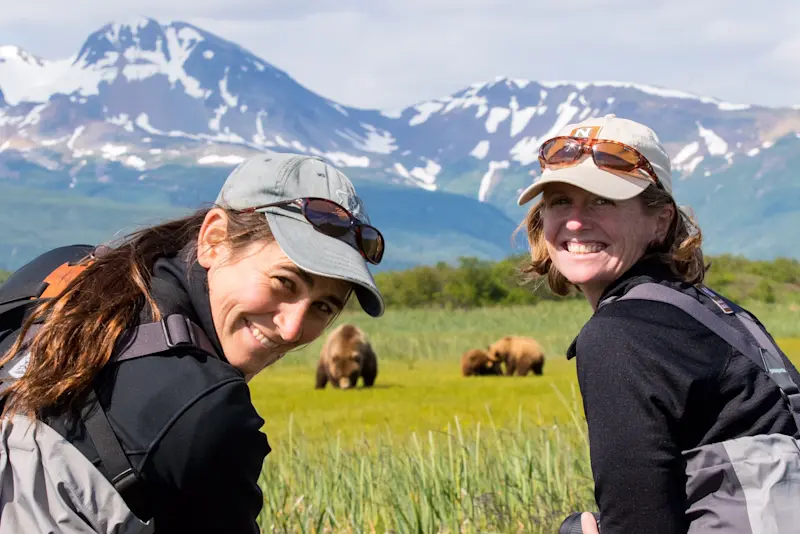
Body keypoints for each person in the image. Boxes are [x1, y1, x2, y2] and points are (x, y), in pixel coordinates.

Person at [0, 151, 386, 533]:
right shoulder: (210, 413)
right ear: (214, 239)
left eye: (322, 306)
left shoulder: (61, 274)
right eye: (284, 282)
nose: (291, 329)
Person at [516, 114, 800, 534]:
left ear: (661, 221)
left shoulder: (620, 335)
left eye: (601, 201)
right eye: (560, 201)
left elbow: (639, 523)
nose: (575, 221)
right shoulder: (713, 311)